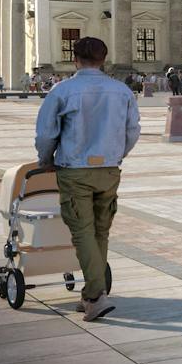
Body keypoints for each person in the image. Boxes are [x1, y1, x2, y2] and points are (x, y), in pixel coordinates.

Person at [31, 37, 139, 322]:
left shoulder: (63, 90)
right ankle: (92, 293)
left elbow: (45, 134)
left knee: (82, 232)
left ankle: (94, 296)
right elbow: (132, 132)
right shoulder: (121, 91)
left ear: (74, 59)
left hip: (75, 170)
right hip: (109, 171)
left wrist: (46, 159)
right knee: (100, 231)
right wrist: (117, 155)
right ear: (104, 60)